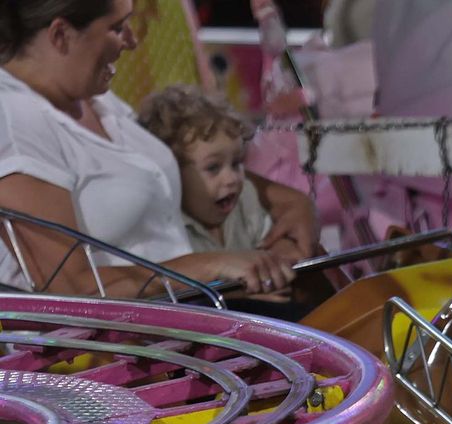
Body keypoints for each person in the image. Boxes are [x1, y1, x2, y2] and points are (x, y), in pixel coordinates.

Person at [0, 0, 313, 297]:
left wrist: (280, 199)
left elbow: (165, 170)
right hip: (115, 348)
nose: (132, 41)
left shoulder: (92, 98)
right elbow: (69, 290)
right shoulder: (14, 121)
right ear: (60, 34)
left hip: (188, 322)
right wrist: (212, 266)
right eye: (117, 27)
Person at [138, 85, 271, 254]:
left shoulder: (246, 200)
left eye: (236, 163)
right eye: (213, 167)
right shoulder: (168, 230)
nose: (231, 179)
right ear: (174, 175)